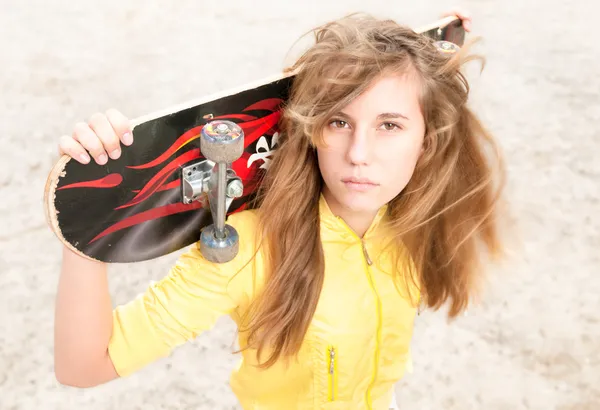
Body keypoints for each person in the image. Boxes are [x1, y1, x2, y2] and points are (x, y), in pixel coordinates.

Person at [53, 9, 506, 410]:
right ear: (309, 130)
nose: (359, 153)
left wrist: (440, 46)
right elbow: (84, 365)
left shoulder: (410, 213)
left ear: (424, 144)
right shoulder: (248, 248)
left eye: (389, 125)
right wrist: (89, 226)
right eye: (338, 121)